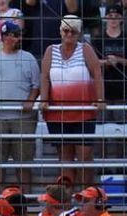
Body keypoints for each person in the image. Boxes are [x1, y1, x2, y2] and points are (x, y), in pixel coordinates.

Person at [40, 15, 105, 187]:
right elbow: (45, 76)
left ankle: (86, 195)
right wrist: (44, 99)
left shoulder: (85, 49)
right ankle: (66, 198)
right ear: (60, 32)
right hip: (57, 113)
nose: (69, 34)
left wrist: (100, 99)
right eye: (66, 30)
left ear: (79, 33)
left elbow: (97, 74)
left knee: (85, 155)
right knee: (65, 157)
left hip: (83, 112)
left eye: (73, 31)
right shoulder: (50, 50)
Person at [0, 21, 40, 193]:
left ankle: (25, 198)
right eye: (11, 34)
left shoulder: (29, 58)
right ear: (4, 37)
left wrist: (30, 100)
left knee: (24, 161)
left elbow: (36, 85)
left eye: (17, 34)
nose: (15, 38)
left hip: (23, 118)